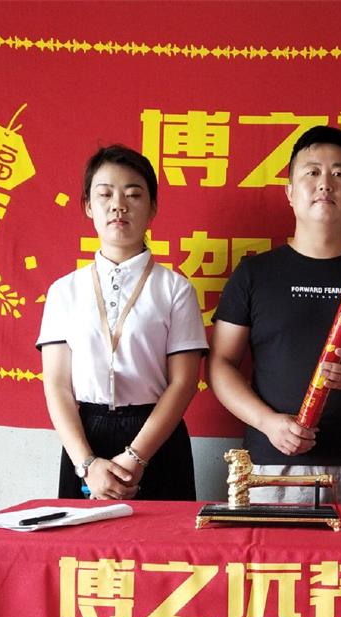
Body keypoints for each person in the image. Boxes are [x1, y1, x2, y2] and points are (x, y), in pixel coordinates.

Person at [208, 125, 341, 505]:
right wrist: (267, 422)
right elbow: (220, 364)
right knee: (272, 550)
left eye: (340, 174)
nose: (325, 184)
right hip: (272, 463)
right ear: (290, 192)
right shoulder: (255, 273)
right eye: (312, 172)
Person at [37, 144, 207, 501]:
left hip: (157, 438)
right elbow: (57, 385)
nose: (119, 205)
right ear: (88, 206)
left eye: (133, 194)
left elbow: (183, 383)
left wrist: (136, 457)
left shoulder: (176, 289)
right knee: (82, 539)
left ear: (153, 208)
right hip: (86, 441)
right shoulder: (64, 291)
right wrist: (86, 464)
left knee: (163, 539)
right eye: (105, 194)